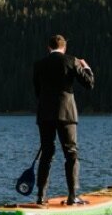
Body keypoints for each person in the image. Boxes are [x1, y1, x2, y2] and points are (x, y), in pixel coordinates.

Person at [31, 34, 95, 205]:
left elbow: (38, 92)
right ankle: (72, 196)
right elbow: (89, 84)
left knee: (46, 154)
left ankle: (40, 197)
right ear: (64, 47)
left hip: (44, 114)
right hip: (66, 114)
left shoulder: (39, 65)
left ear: (49, 47)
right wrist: (86, 67)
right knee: (71, 154)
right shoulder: (71, 61)